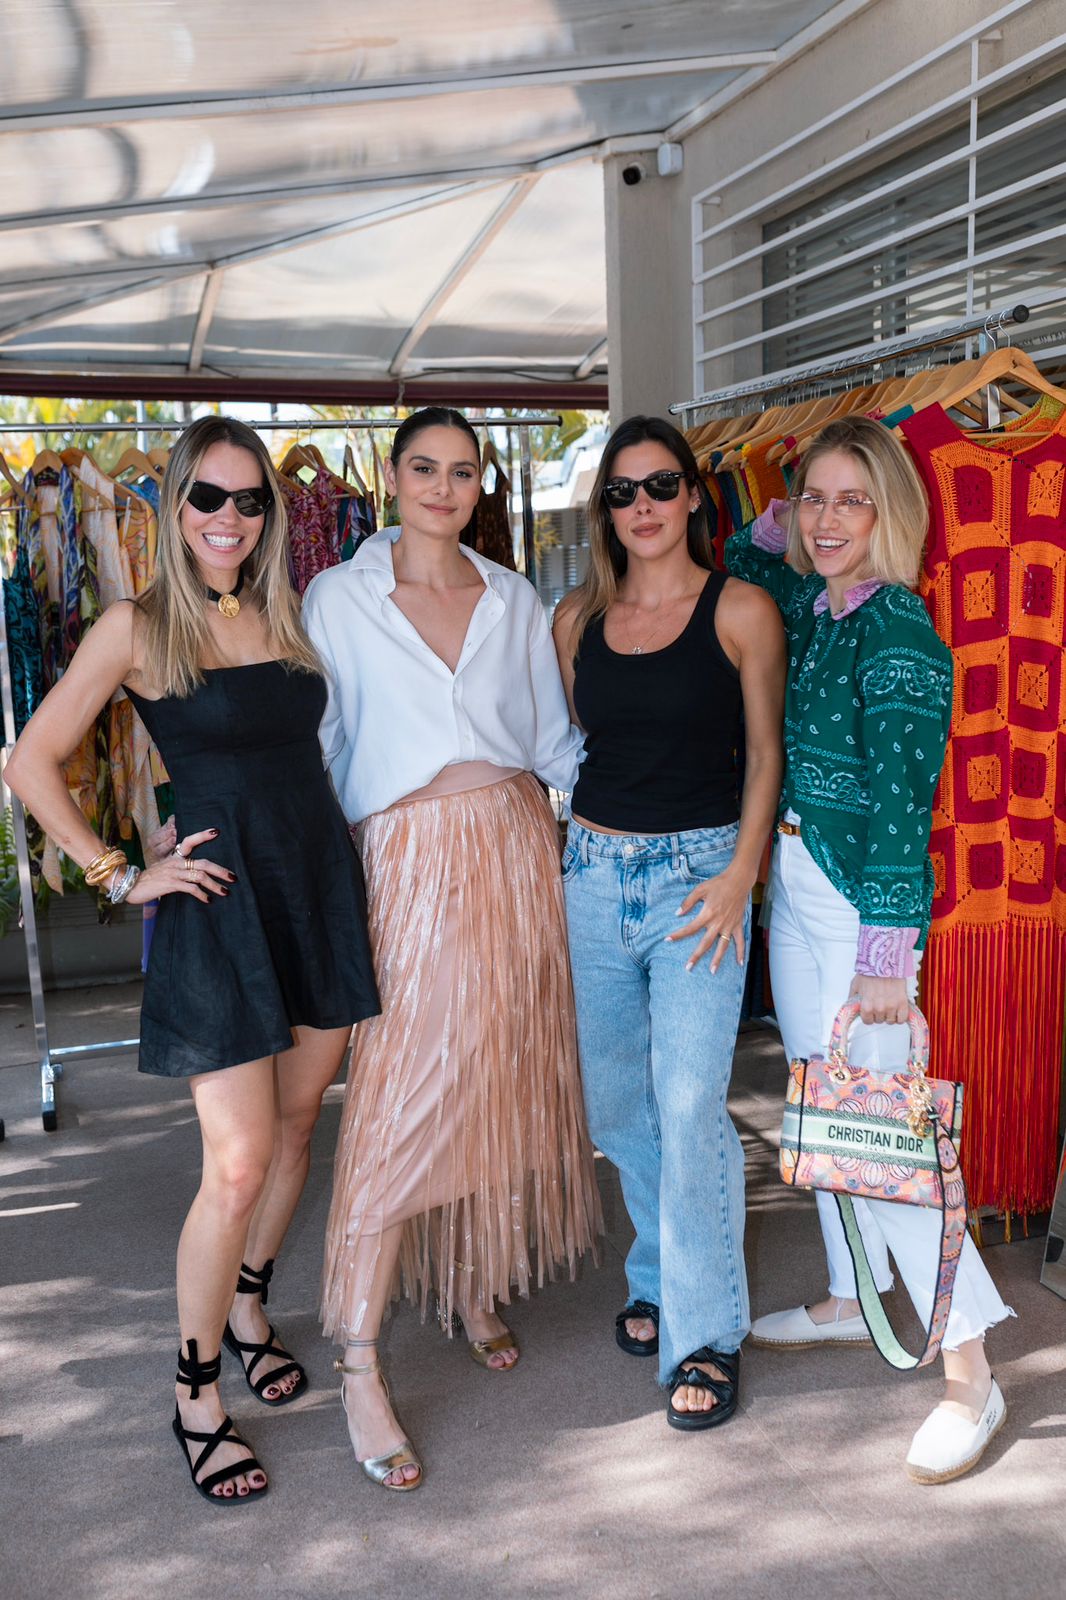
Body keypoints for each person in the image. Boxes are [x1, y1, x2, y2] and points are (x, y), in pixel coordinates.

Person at [5, 417, 379, 1505]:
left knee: (306, 1119)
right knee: (238, 1161)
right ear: (173, 506)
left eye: (249, 499)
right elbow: (28, 760)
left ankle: (254, 1299)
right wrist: (122, 871)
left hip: (312, 886)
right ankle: (196, 1389)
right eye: (208, 498)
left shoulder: (292, 610)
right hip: (218, 905)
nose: (230, 518)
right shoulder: (137, 624)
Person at [302, 407, 600, 1493]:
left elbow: (556, 742)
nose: (441, 485)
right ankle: (360, 1356)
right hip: (408, 862)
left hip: (516, 846)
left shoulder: (511, 596)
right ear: (390, 477)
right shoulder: (337, 597)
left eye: (461, 470)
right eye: (422, 467)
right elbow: (320, 742)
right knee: (402, 1095)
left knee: (499, 1075)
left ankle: (474, 1284)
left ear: (482, 485)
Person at [726, 415, 1013, 1483]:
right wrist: (776, 517)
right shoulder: (815, 603)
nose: (829, 517)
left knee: (890, 1147)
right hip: (795, 889)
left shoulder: (896, 628)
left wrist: (887, 957)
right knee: (824, 1109)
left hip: (859, 911)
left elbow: (903, 805)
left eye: (854, 498)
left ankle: (970, 1377)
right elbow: (740, 564)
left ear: (893, 512)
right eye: (816, 497)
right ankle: (853, 1297)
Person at [552, 415, 785, 1430]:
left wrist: (742, 872)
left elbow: (764, 755)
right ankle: (657, 1271)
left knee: (690, 1108)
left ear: (693, 495)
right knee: (619, 1111)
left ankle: (704, 1331)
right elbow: (578, 747)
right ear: (605, 509)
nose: (641, 506)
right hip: (595, 879)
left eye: (659, 486)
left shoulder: (739, 610)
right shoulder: (573, 619)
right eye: (621, 492)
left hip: (701, 882)